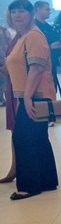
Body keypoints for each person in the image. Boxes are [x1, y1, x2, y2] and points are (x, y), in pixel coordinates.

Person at [3, 0, 58, 199]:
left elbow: (36, 68)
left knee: (23, 138)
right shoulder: (23, 36)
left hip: (36, 95)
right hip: (30, 94)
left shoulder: (34, 35)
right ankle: (47, 180)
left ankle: (29, 186)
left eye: (22, 11)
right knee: (38, 138)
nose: (17, 15)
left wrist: (26, 98)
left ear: (31, 14)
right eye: (14, 12)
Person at [33, 1, 61, 99]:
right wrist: (50, 47)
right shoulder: (32, 27)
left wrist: (60, 50)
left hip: (51, 62)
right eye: (47, 9)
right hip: (38, 64)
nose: (49, 12)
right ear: (38, 10)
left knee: (52, 87)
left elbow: (55, 41)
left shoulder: (49, 27)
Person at [0, 24, 17, 183]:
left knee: (19, 128)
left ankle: (17, 167)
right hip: (13, 85)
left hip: (19, 86)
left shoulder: (25, 35)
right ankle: (15, 166)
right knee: (15, 128)